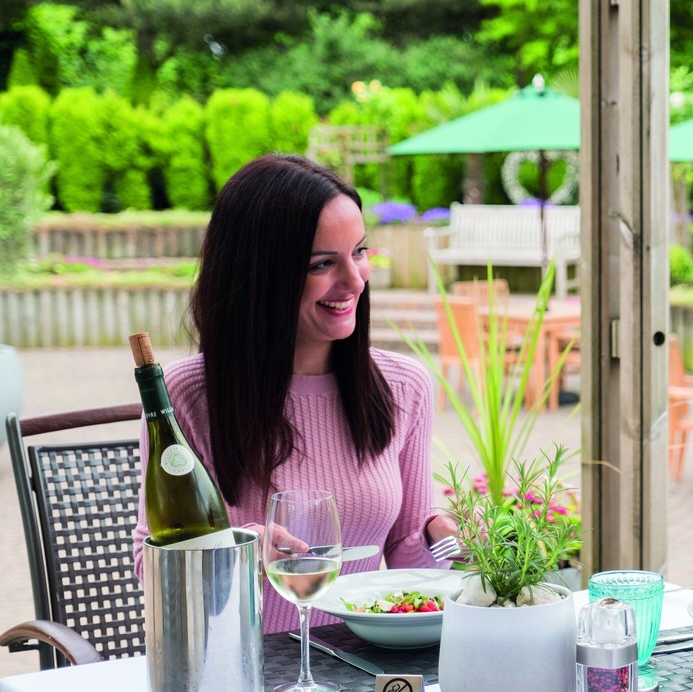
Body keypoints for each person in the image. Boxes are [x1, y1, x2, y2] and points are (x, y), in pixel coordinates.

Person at [132, 154, 457, 634]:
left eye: (360, 252)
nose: (355, 281)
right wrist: (239, 549)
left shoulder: (403, 386)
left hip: (359, 664)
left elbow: (407, 559)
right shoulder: (187, 397)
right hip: (238, 667)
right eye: (322, 264)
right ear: (259, 276)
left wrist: (438, 536)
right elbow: (152, 570)